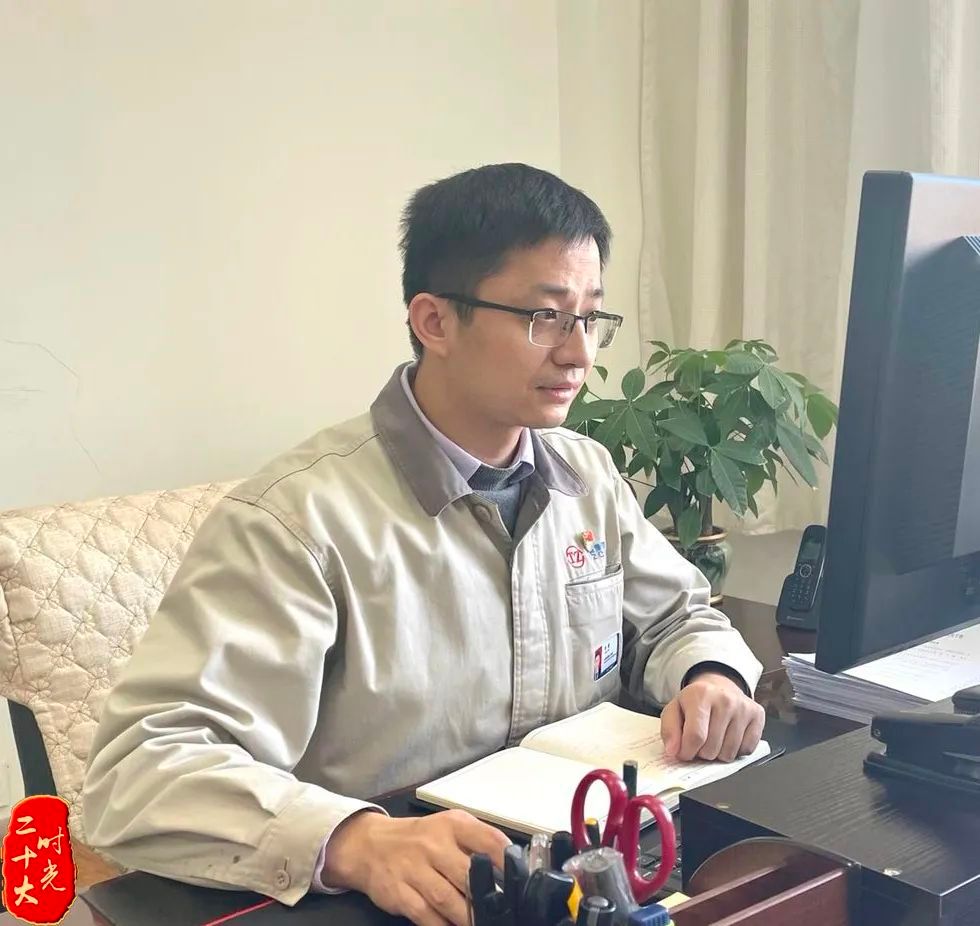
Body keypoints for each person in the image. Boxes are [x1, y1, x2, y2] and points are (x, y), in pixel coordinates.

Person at [82, 163, 764, 926]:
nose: (579, 354)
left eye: (590, 318)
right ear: (435, 322)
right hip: (389, 896)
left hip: (568, 881)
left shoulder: (586, 475)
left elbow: (676, 617)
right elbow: (138, 772)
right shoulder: (298, 520)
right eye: (544, 317)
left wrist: (709, 675)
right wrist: (356, 841)